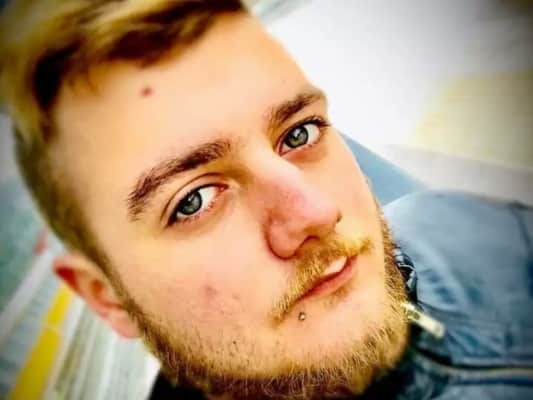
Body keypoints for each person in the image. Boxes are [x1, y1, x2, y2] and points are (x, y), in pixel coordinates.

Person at [1, 1, 532, 399]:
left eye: (299, 133)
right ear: (109, 299)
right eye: (194, 200)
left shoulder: (477, 232)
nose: (316, 213)